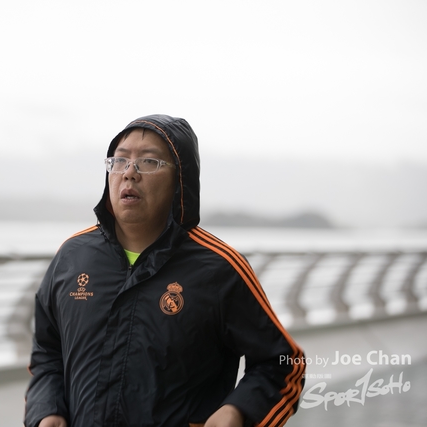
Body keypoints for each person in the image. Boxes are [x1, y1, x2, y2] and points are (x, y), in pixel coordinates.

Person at [25, 114, 306, 427]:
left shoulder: (219, 268)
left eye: (148, 162)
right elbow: (47, 352)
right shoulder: (72, 257)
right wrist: (47, 410)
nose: (129, 173)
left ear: (180, 179)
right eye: (119, 160)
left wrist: (237, 412)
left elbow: (283, 363)